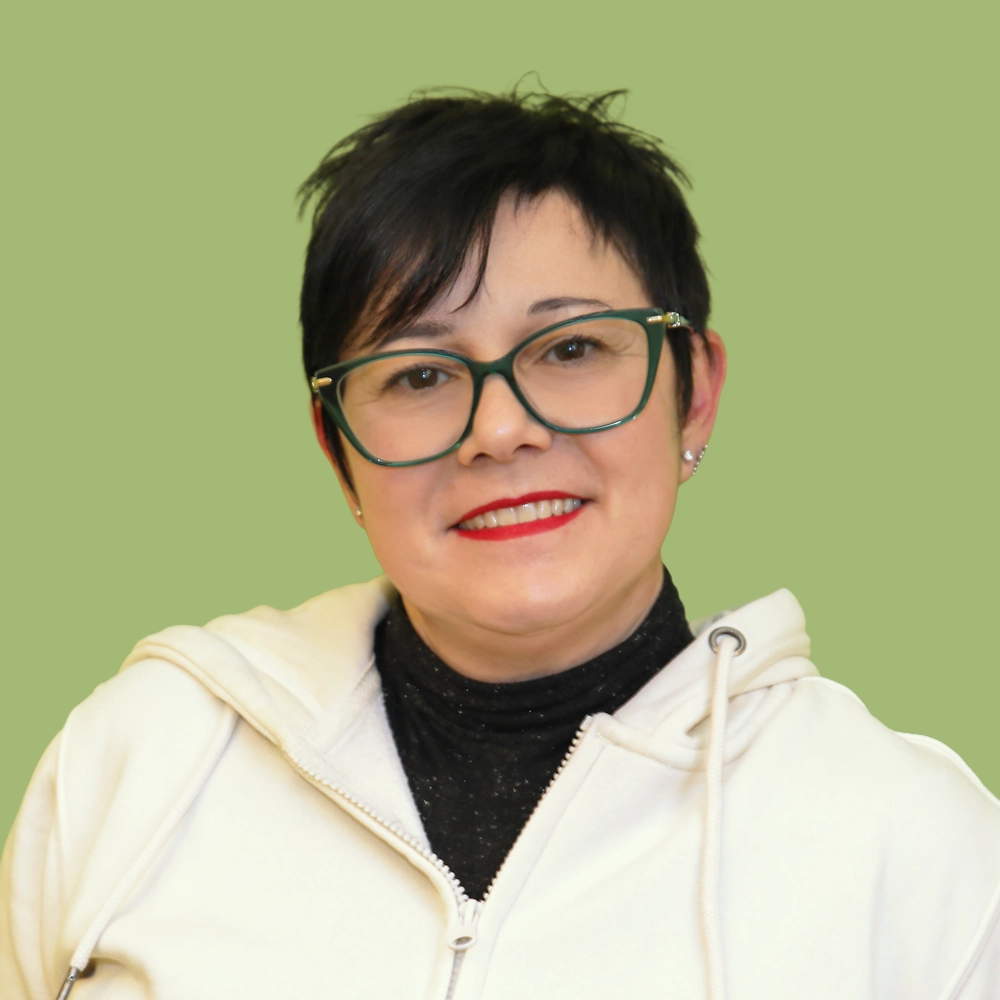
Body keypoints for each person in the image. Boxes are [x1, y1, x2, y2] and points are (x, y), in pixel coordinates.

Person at [1, 88, 998, 1000]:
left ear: (693, 391)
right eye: (419, 375)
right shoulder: (141, 759)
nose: (501, 429)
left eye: (572, 349)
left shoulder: (913, 844)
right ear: (336, 447)